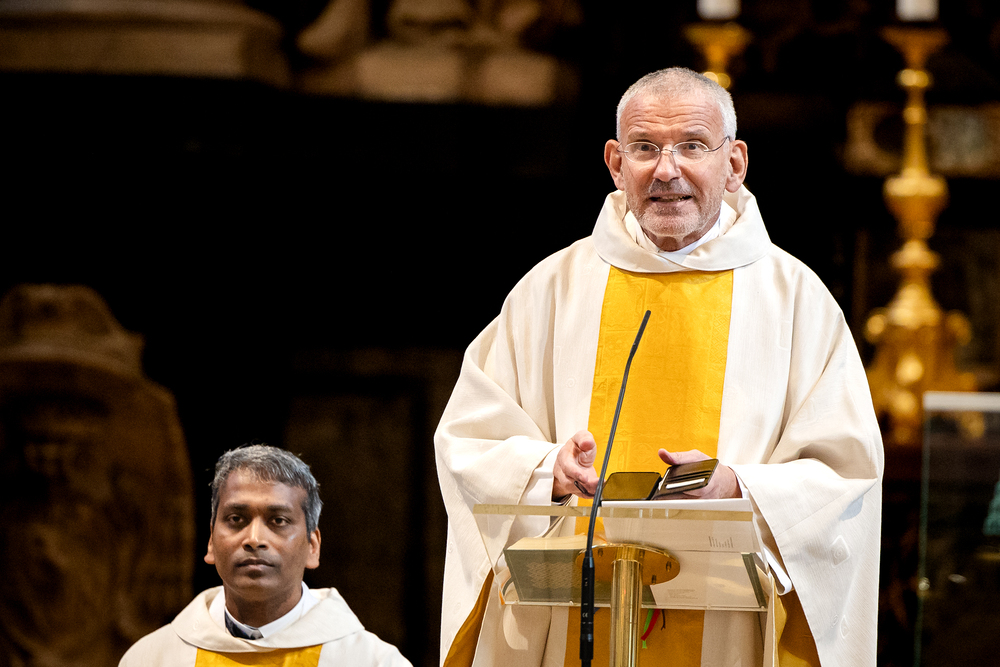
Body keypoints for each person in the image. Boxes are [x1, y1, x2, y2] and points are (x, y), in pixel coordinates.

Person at [434, 67, 883, 667]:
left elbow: (845, 470)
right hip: (576, 610)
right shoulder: (553, 289)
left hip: (729, 628)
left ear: (734, 164)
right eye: (645, 148)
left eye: (692, 146)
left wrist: (739, 487)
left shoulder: (796, 299)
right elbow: (469, 440)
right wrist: (547, 470)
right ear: (615, 164)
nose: (666, 170)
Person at [120, 444, 411, 667]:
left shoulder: (370, 661)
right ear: (210, 542)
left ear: (312, 546)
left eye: (278, 521)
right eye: (236, 519)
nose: (255, 539)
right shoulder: (152, 658)